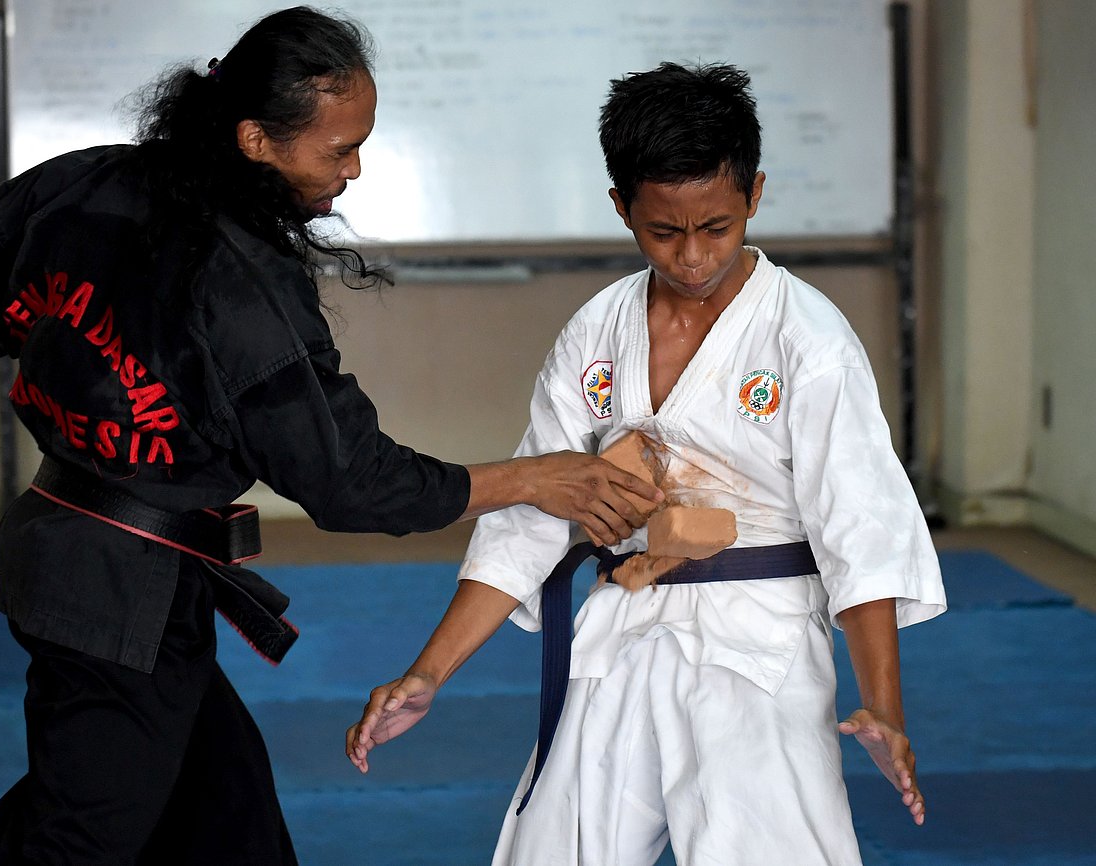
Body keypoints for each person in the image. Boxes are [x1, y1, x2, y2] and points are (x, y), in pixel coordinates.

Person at [0, 8, 662, 865]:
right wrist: (539, 479)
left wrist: (83, 379)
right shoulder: (245, 288)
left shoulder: (86, 180)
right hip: (114, 596)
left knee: (225, 808)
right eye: (337, 150)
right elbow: (349, 483)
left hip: (73, 552)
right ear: (254, 140)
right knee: (79, 838)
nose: (354, 170)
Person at [346, 62, 948, 865]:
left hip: (758, 645)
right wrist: (427, 673)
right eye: (664, 231)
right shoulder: (597, 331)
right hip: (618, 629)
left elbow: (861, 530)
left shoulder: (807, 338)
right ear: (621, 207)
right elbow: (530, 521)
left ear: (755, 194)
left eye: (718, 227)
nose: (694, 255)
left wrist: (885, 709)